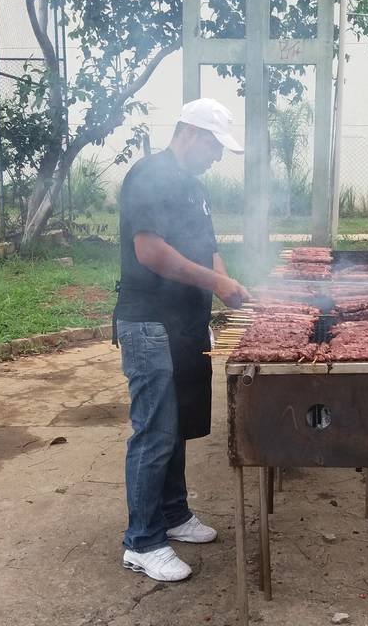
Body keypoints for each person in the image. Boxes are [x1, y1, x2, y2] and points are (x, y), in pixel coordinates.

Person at [113, 98, 252, 582]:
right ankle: (142, 541)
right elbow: (150, 252)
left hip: (185, 322)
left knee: (177, 427)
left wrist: (228, 286)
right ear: (191, 134)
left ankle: (173, 513)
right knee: (154, 432)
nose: (217, 157)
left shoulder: (194, 187)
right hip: (149, 322)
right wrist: (216, 285)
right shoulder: (148, 176)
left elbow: (208, 247)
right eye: (215, 146)